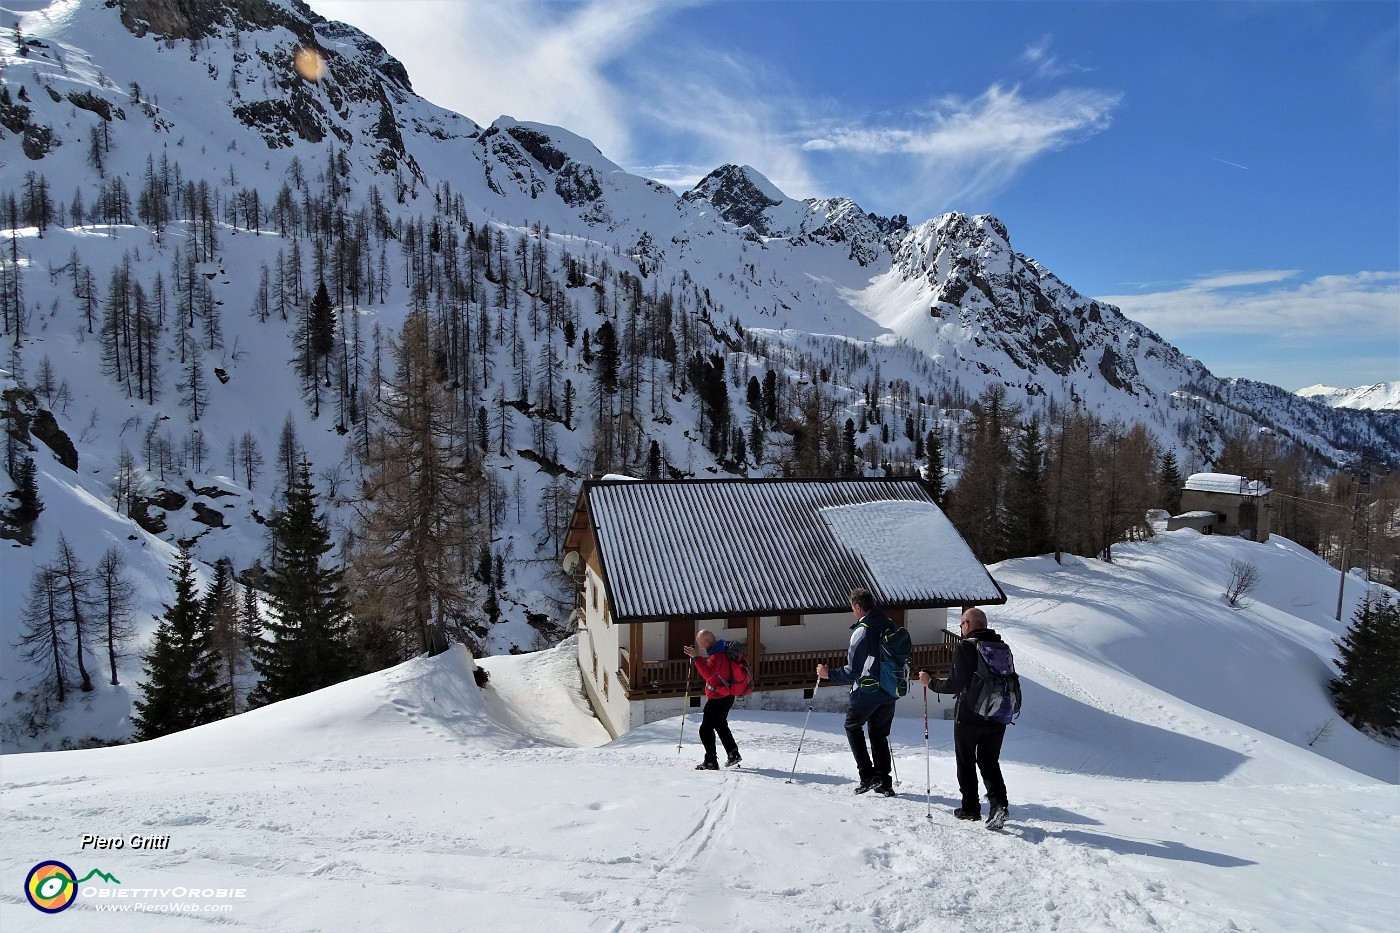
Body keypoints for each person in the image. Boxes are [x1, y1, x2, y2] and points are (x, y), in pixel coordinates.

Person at [919, 606, 1010, 828]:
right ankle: (999, 806)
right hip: (998, 714)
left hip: (969, 715)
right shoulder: (1002, 647)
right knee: (989, 761)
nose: (960, 629)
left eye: (961, 624)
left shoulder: (966, 647)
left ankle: (970, 808)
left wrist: (930, 683)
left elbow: (954, 684)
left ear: (968, 625)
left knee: (966, 760)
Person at [816, 587, 900, 796]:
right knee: (879, 734)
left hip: (868, 689)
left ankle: (867, 776)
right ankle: (883, 781)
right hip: (890, 688)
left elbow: (853, 671)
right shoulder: (889, 624)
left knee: (852, 726)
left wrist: (828, 674)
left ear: (858, 607)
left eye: (852, 608)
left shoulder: (862, 631)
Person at [683, 629, 743, 770]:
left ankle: (711, 761)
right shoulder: (723, 650)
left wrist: (697, 658)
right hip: (727, 696)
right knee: (720, 724)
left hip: (718, 698)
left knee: (705, 730)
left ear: (708, 641)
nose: (700, 646)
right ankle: (733, 753)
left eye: (700, 643)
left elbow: (708, 673)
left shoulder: (717, 656)